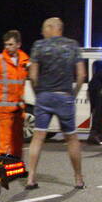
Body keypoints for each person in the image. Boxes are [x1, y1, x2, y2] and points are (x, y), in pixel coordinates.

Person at [25, 17, 87, 189]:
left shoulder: (39, 46)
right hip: (64, 96)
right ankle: (78, 178)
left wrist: (38, 94)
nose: (42, 32)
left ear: (53, 28)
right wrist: (73, 94)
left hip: (44, 95)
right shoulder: (73, 45)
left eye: (44, 28)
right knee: (72, 138)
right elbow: (81, 75)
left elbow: (32, 75)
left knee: (38, 137)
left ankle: (31, 178)